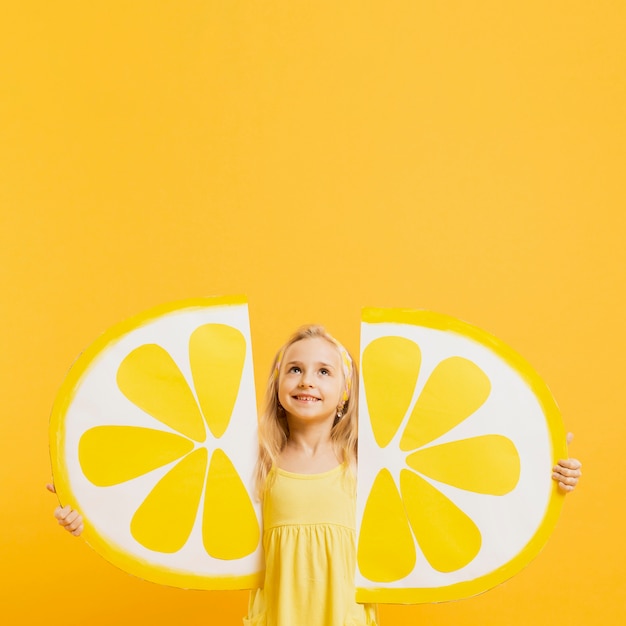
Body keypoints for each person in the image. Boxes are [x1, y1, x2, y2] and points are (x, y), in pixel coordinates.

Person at [48, 324, 583, 626]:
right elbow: (165, 499)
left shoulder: (371, 466)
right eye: (295, 368)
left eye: (324, 371)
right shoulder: (253, 460)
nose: (307, 380)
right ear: (278, 381)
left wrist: (551, 475)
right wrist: (86, 504)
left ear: (346, 392)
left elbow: (465, 480)